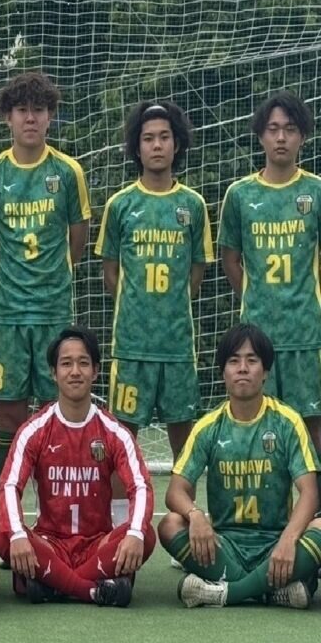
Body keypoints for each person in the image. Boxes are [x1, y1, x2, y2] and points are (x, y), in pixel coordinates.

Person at [95, 101, 213, 535]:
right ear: (137, 147)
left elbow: (196, 272)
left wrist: (166, 308)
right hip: (131, 347)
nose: (157, 145)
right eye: (148, 138)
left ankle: (186, 526)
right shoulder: (121, 205)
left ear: (177, 144)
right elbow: (110, 272)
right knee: (122, 440)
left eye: (164, 137)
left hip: (178, 347)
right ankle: (118, 529)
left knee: (185, 442)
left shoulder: (192, 205)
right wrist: (139, 308)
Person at [0, 71, 90, 485]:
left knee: (55, 409)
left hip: (54, 310)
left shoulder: (68, 172)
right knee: (9, 412)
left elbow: (78, 236)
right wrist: (8, 276)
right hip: (8, 313)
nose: (30, 118)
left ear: (50, 116)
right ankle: (9, 506)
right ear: (8, 117)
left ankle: (53, 506)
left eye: (38, 110)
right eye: (22, 110)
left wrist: (54, 275)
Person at [159, 324, 321, 609]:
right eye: (234, 361)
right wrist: (196, 515)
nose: (243, 368)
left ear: (265, 371)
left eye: (252, 360)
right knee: (170, 524)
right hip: (223, 546)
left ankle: (226, 592)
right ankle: (271, 590)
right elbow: (175, 491)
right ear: (223, 372)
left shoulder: (287, 421)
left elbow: (310, 492)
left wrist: (288, 539)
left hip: (276, 544)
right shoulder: (208, 427)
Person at [0, 326, 155, 608]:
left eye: (83, 363)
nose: (75, 371)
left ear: (95, 371)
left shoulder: (113, 431)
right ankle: (93, 589)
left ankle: (51, 584)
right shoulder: (34, 430)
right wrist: (19, 536)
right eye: (66, 364)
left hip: (97, 544)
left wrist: (134, 533)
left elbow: (140, 486)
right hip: (50, 543)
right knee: (3, 536)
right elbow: (9, 486)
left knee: (146, 535)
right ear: (53, 372)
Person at [219, 91, 321, 458]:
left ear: (302, 136)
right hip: (257, 335)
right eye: (273, 129)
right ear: (260, 135)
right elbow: (231, 260)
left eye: (289, 129)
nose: (281, 137)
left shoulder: (316, 191)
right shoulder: (239, 194)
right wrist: (256, 298)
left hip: (307, 333)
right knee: (259, 423)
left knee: (313, 423)